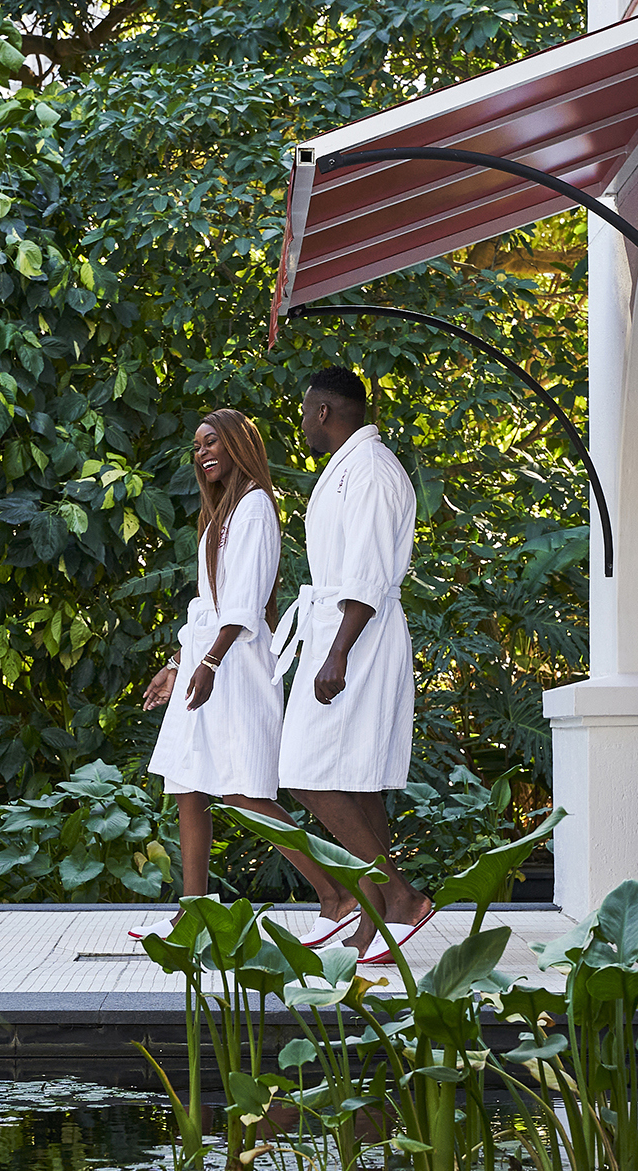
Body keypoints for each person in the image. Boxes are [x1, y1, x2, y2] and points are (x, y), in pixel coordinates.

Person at [140, 408, 347, 937]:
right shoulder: (222, 514)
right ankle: (193, 914)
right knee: (188, 784)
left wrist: (209, 661)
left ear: (237, 444)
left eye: (211, 442)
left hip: (234, 666)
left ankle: (336, 893)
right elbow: (208, 605)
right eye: (197, 447)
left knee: (243, 792)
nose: (202, 453)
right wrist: (178, 663)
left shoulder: (254, 507)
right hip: (209, 660)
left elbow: (244, 603)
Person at [273, 368, 431, 961]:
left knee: (307, 770)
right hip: (340, 630)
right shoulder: (353, 466)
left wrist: (337, 652)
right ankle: (379, 912)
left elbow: (366, 570)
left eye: (304, 412)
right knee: (355, 776)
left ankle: (400, 898)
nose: (302, 424)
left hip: (357, 636)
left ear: (323, 411)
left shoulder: (369, 470)